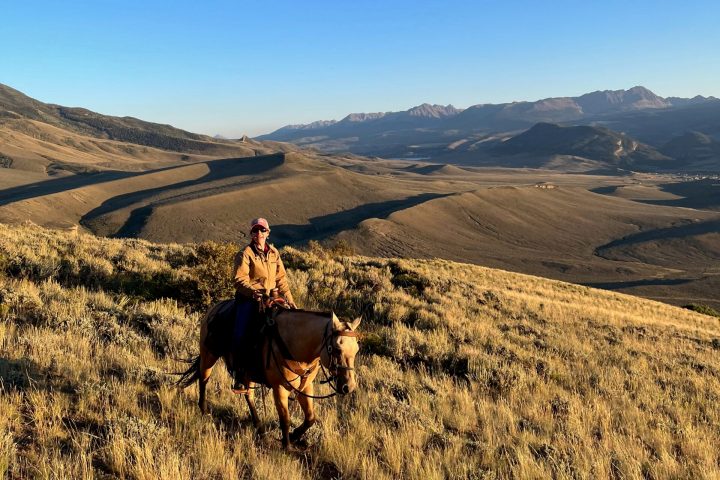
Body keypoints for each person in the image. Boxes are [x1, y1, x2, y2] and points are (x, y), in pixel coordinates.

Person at [231, 217, 296, 392]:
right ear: (251, 233)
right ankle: (240, 373)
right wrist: (254, 292)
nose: (259, 233)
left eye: (262, 230)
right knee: (241, 333)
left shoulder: (274, 253)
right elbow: (239, 279)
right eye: (255, 230)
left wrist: (290, 300)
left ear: (268, 233)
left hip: (272, 298)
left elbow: (281, 278)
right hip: (249, 299)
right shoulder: (245, 253)